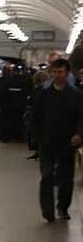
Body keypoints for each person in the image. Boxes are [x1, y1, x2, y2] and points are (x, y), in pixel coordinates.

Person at [30, 59, 83, 222]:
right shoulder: (43, 94)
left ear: (67, 73)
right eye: (54, 72)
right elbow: (34, 117)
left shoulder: (77, 95)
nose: (57, 75)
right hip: (47, 141)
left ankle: (63, 207)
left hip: (68, 141)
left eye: (60, 72)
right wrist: (37, 138)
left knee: (66, 177)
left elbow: (81, 118)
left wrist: (79, 134)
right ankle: (47, 210)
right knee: (46, 175)